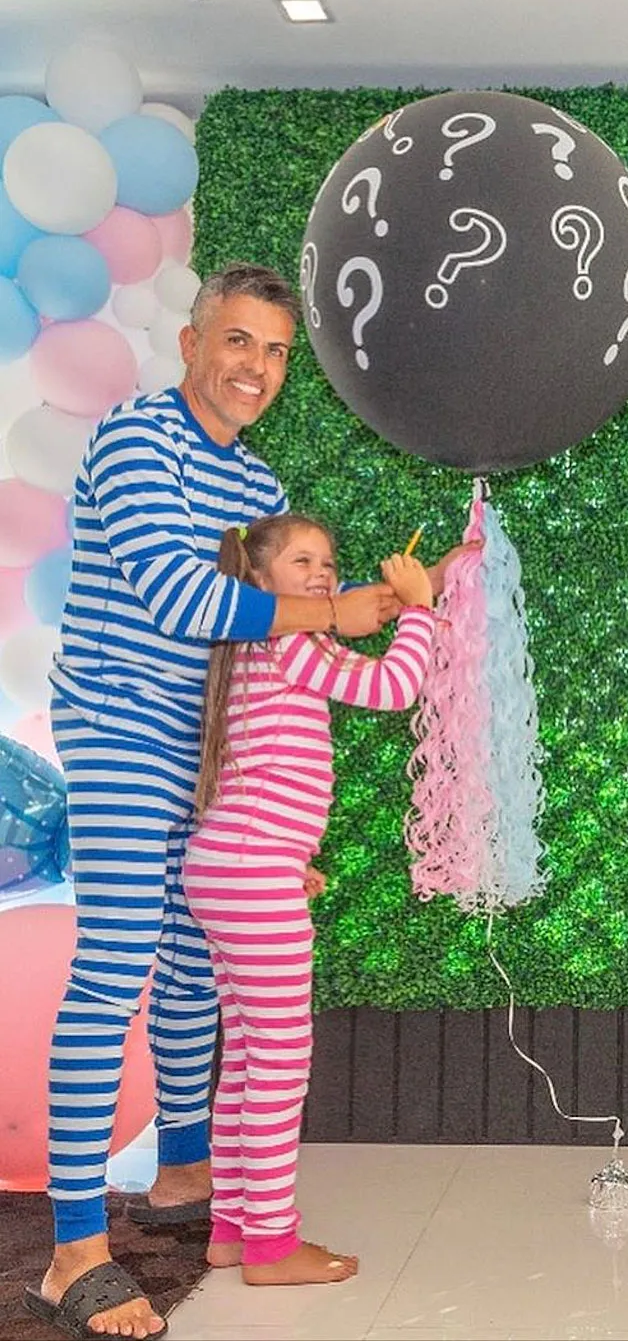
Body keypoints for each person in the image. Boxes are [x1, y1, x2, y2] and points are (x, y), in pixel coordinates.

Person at [29, 263, 469, 1340]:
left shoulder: (256, 483)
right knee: (118, 959)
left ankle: (186, 1170)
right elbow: (186, 600)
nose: (256, 367)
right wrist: (344, 611)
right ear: (190, 344)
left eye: (274, 351)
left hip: (209, 749)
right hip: (124, 724)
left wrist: (385, 599)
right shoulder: (137, 439)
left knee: (192, 965)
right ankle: (74, 1247)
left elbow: (261, 636)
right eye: (237, 340)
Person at [184, 514, 436, 1284]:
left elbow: (261, 775)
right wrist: (419, 609)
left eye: (328, 561)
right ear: (260, 581)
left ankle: (232, 1229)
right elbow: (394, 687)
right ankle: (270, 1244)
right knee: (280, 1061)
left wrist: (285, 860)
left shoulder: (257, 649)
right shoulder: (291, 641)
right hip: (249, 870)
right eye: (302, 561)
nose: (323, 572)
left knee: (247, 1056)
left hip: (231, 866)